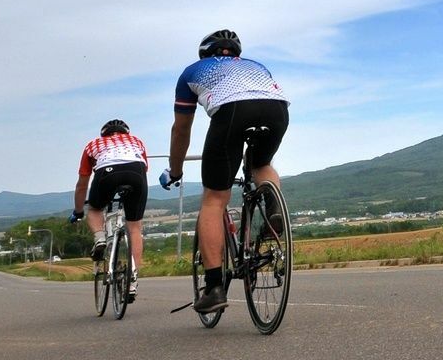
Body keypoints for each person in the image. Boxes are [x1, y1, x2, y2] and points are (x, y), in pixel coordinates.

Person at [165, 29, 290, 315]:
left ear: (205, 52)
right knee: (260, 163)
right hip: (278, 109)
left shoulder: (192, 71)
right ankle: (273, 208)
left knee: (214, 199)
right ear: (236, 53)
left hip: (232, 111)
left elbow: (181, 130)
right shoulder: (256, 66)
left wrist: (175, 170)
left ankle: (214, 287)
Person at [71, 119, 150, 304]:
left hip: (107, 172)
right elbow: (145, 167)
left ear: (104, 134)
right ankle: (132, 279)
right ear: (126, 133)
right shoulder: (136, 141)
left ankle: (100, 239)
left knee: (95, 209)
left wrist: (78, 210)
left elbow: (82, 184)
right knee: (135, 228)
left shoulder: (93, 144)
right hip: (136, 173)